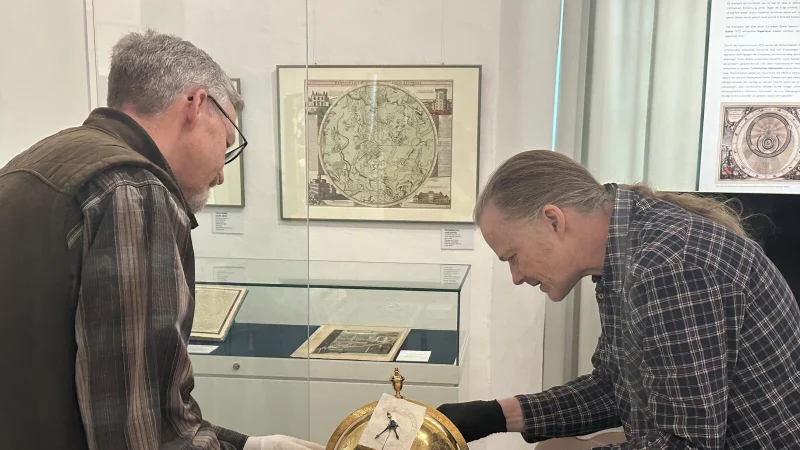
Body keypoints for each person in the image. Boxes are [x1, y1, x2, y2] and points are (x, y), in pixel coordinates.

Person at [0, 30, 322, 450]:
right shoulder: (132, 190)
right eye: (226, 144)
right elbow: (141, 432)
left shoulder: (37, 163)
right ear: (196, 104)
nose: (222, 173)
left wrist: (245, 446)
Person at [437, 150, 800, 448]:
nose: (516, 277)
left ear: (553, 220)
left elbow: (688, 444)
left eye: (512, 256)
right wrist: (496, 415)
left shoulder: (666, 267)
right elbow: (615, 388)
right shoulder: (626, 251)